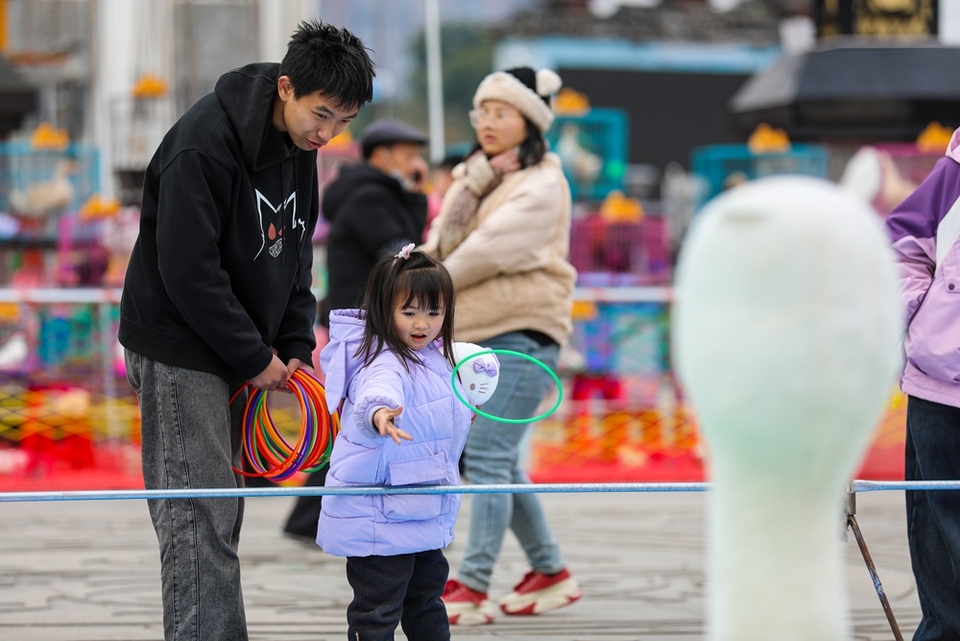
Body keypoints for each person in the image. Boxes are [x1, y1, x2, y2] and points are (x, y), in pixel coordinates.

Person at [118, 20, 375, 641]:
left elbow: (296, 257)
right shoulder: (203, 144)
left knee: (221, 511)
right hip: (179, 344)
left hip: (240, 348)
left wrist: (292, 348)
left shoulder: (302, 150)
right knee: (196, 512)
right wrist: (253, 355)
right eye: (321, 115)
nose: (328, 133)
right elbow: (188, 271)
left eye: (343, 122)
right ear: (286, 87)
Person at [421, 66, 582, 625]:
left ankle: (472, 583)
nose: (487, 122)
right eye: (481, 112)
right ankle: (550, 572)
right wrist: (414, 266)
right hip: (478, 337)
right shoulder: (475, 178)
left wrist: (420, 282)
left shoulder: (541, 184)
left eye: (501, 112)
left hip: (523, 335)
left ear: (530, 121)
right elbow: (440, 240)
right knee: (497, 459)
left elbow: (484, 252)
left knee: (487, 456)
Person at [316, 245, 474, 641]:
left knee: (427, 603)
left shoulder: (434, 358)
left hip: (419, 509)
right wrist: (380, 414)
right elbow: (377, 391)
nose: (422, 323)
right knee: (377, 612)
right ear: (385, 310)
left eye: (434, 312)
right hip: (380, 518)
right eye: (410, 312)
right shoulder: (383, 359)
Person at [282, 118, 429, 541]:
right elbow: (403, 251)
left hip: (366, 322)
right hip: (364, 324)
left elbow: (406, 242)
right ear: (381, 156)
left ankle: (308, 520)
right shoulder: (368, 197)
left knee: (358, 418)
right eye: (407, 152)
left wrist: (415, 194)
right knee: (358, 420)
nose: (416, 160)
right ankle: (309, 519)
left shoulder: (377, 192)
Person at [886, 126, 960, 641]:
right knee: (938, 550)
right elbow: (900, 242)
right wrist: (923, 318)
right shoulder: (957, 165)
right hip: (940, 387)